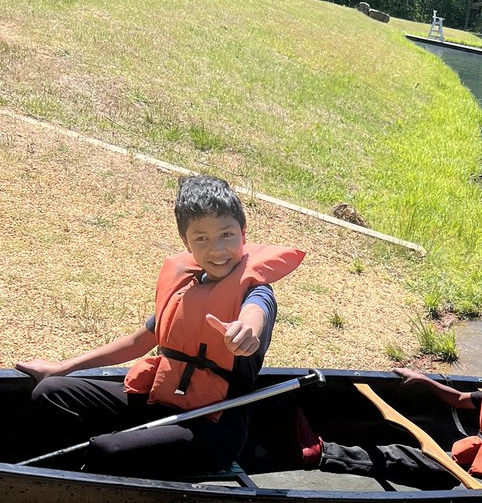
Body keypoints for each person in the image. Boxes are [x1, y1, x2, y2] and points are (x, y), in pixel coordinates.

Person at [16, 175, 305, 477]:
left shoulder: (256, 290)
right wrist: (63, 367)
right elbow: (139, 341)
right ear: (186, 243)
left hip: (210, 428)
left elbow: (254, 317)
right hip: (159, 401)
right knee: (50, 392)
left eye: (227, 235)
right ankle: (55, 478)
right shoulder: (186, 285)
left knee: (107, 451)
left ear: (243, 234)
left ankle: (82, 486)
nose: (217, 250)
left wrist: (244, 333)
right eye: (202, 239)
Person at [304, 330, 482, 489]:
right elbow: (461, 400)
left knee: (460, 500)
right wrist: (425, 381)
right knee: (399, 455)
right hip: (463, 461)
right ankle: (322, 453)